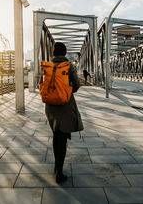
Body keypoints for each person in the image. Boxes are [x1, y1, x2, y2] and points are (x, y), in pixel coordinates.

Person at [43, 42, 84, 183]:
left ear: (53, 52)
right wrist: (65, 92)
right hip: (65, 105)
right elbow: (77, 85)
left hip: (51, 106)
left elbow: (43, 84)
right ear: (65, 53)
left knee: (56, 135)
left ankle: (56, 166)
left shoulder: (47, 66)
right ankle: (59, 172)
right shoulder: (69, 66)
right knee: (63, 137)